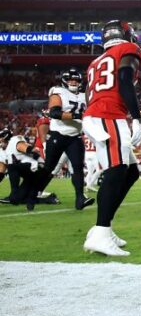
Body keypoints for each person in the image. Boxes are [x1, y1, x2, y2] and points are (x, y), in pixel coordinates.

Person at [82, 20, 141, 256]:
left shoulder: (96, 61)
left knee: (131, 171)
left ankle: (103, 228)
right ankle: (101, 232)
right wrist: (137, 118)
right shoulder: (129, 50)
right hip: (108, 115)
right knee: (115, 170)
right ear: (128, 35)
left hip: (100, 113)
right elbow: (124, 79)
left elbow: (88, 94)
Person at [38, 68, 93, 210]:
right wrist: (77, 116)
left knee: (78, 168)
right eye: (70, 80)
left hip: (75, 136)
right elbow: (55, 112)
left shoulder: (84, 96)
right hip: (58, 135)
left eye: (76, 80)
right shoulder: (58, 91)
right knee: (49, 167)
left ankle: (80, 199)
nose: (73, 82)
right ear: (64, 81)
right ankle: (33, 192)